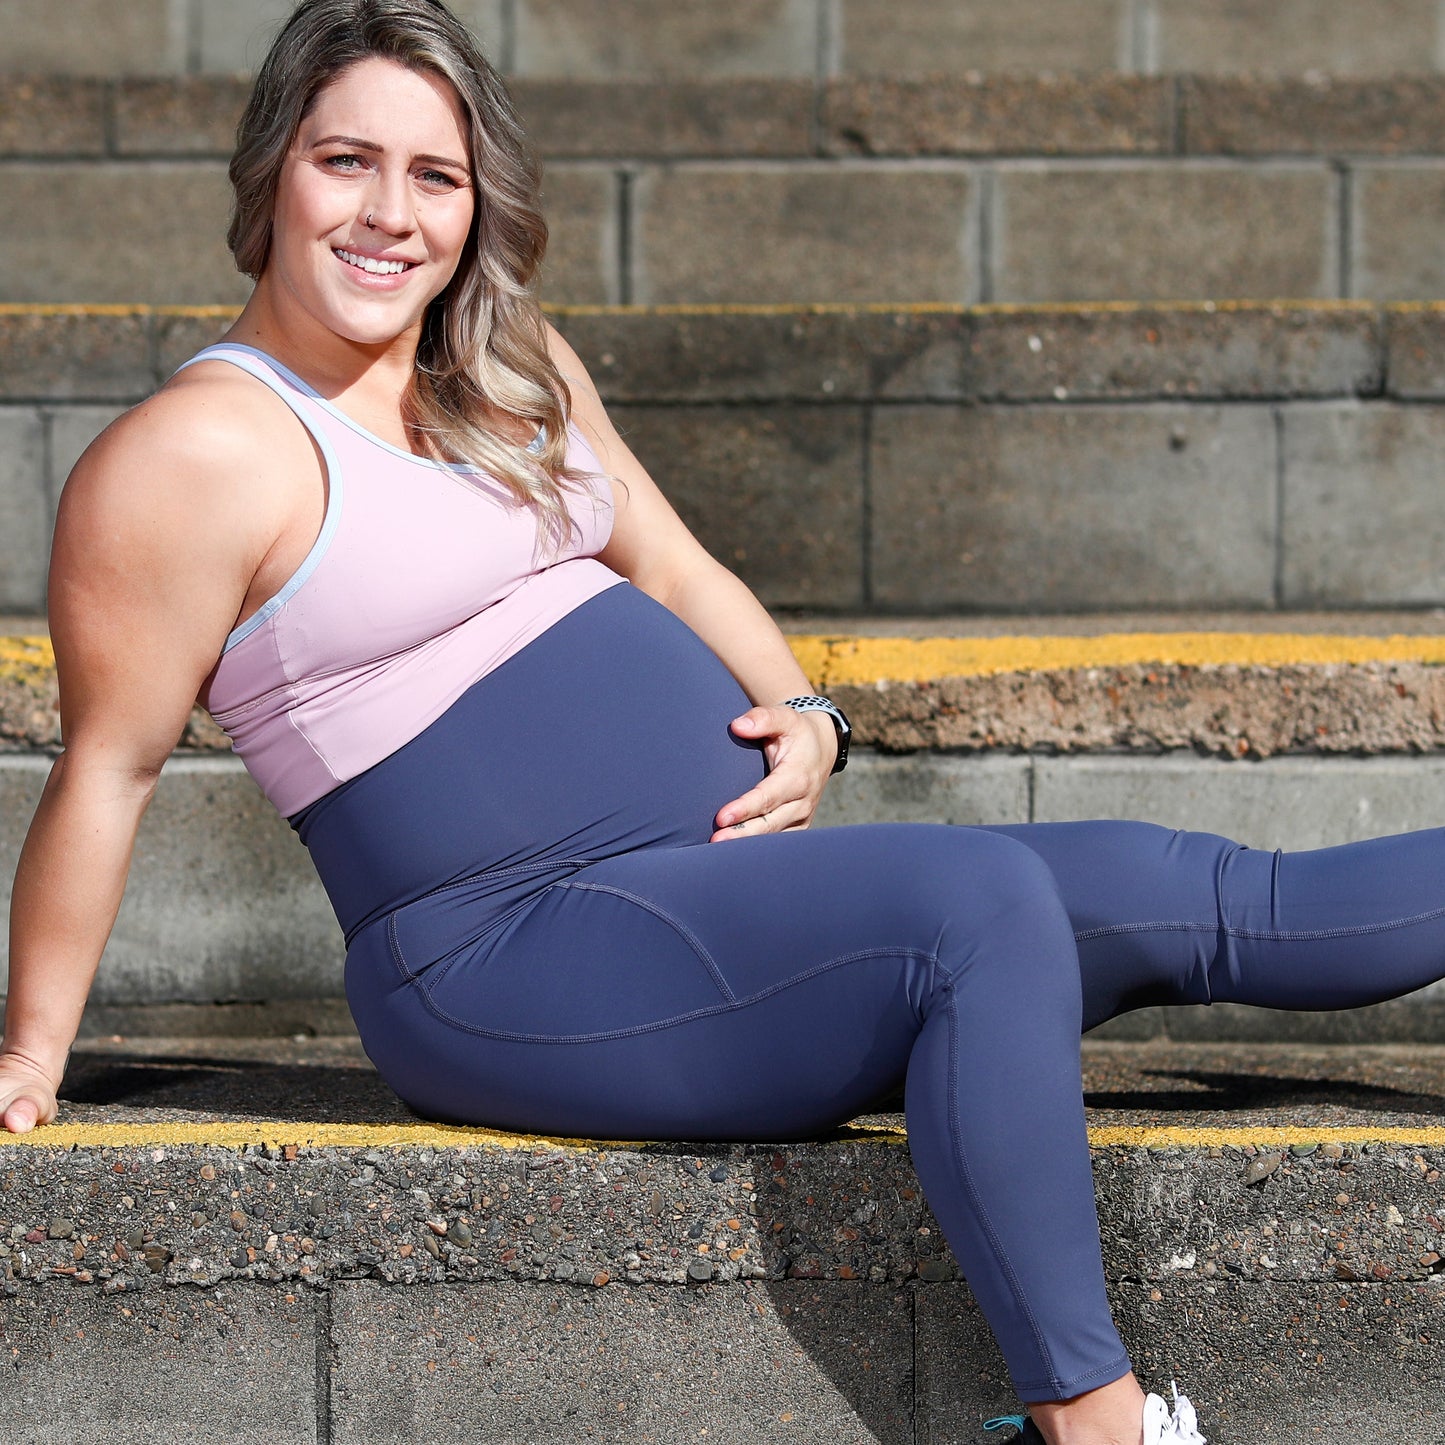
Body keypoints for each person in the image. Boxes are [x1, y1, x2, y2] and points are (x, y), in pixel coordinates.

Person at [5, 2, 1444, 1440]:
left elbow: (677, 565)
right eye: (346, 162)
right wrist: (30, 1051)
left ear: (477, 200)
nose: (390, 215)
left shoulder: (507, 365)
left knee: (1189, 885)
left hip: (714, 893)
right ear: (271, 175)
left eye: (434, 177)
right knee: (976, 896)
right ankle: (1097, 1427)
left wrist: (804, 709)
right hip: (504, 957)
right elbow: (111, 770)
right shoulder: (194, 454)